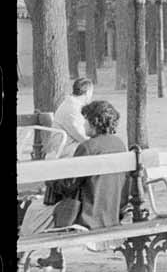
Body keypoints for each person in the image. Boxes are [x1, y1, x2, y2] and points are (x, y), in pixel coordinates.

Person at [48, 99, 131, 238]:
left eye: (85, 120)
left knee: (33, 210)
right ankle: (53, 256)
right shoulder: (119, 144)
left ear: (94, 122)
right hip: (112, 214)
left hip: (87, 217)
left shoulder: (87, 147)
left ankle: (29, 254)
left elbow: (69, 186)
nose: (83, 124)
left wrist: (50, 178)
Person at [53, 77, 94, 146]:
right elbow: (82, 137)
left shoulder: (73, 104)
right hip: (68, 148)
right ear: (88, 92)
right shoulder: (72, 109)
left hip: (72, 144)